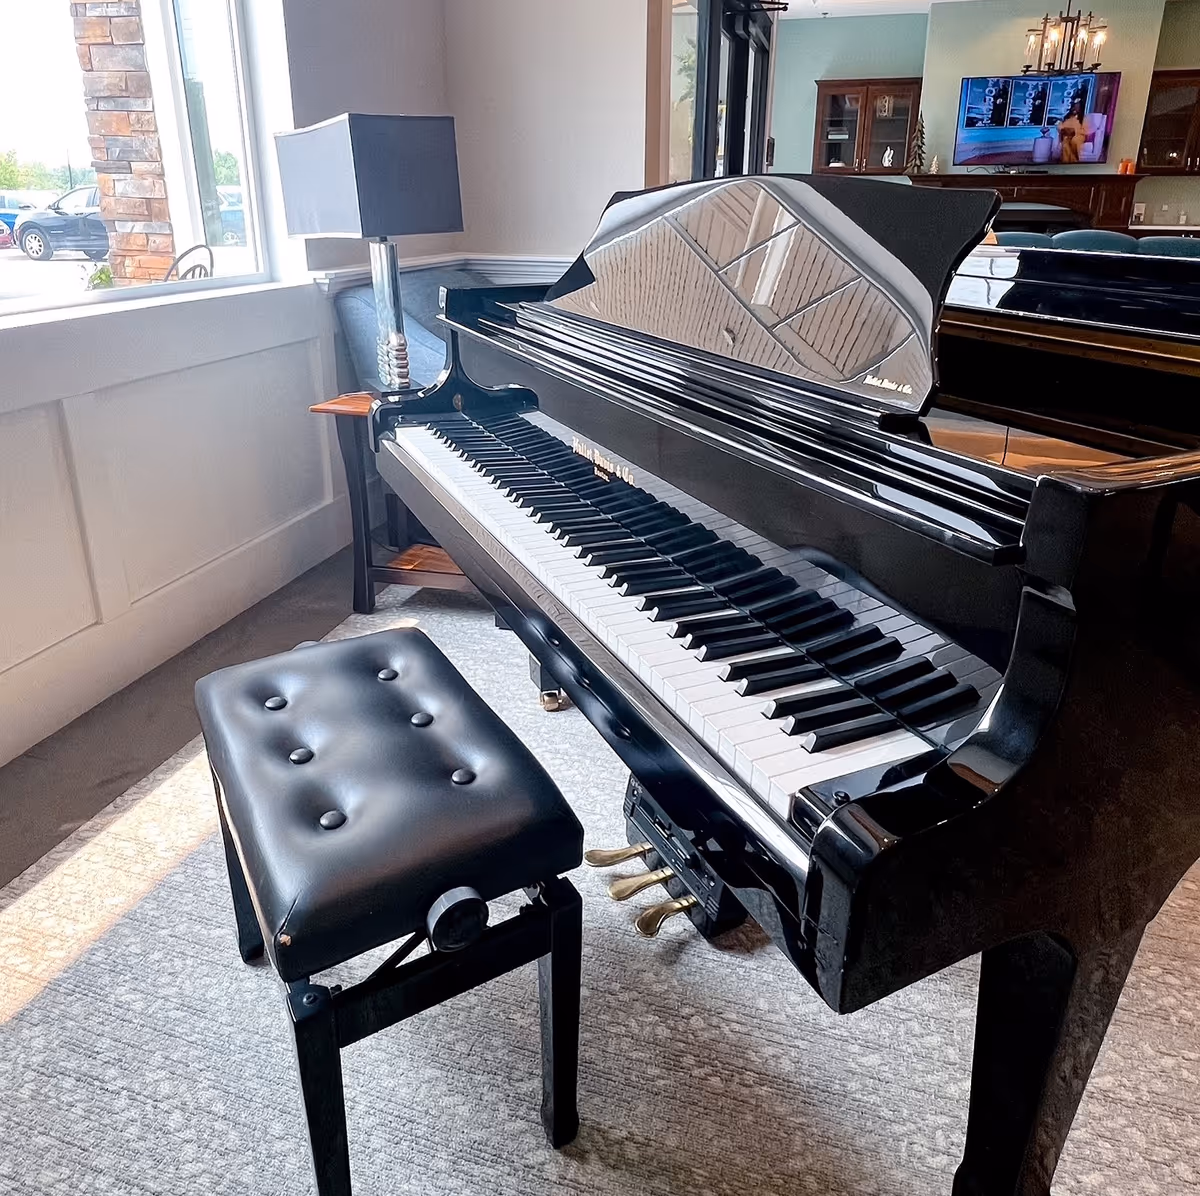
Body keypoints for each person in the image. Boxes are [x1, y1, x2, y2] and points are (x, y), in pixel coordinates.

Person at [1056, 98, 1087, 163]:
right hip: (1067, 135)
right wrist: (1062, 129)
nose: (1076, 108)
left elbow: (1085, 131)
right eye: (1075, 106)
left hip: (1078, 135)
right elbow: (1061, 125)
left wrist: (1074, 130)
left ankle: (1074, 161)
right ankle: (1066, 162)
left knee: (1074, 140)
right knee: (1065, 143)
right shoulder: (1068, 117)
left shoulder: (1083, 118)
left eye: (1078, 106)